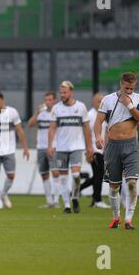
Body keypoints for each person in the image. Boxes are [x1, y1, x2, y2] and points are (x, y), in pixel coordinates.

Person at [95, 72, 139, 230]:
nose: (130, 90)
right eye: (127, 88)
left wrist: (129, 105)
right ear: (121, 84)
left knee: (131, 183)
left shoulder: (138, 99)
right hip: (113, 147)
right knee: (114, 186)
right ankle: (116, 217)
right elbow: (98, 121)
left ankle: (128, 220)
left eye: (132, 88)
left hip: (131, 146)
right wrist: (98, 136)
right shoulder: (108, 100)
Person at [48, 81, 93, 214]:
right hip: (61, 148)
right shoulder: (56, 108)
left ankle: (74, 196)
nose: (62, 95)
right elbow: (52, 128)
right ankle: (67, 206)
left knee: (76, 175)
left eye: (65, 92)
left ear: (71, 92)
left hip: (76, 147)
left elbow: (86, 128)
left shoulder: (81, 107)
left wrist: (89, 146)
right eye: (61, 92)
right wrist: (50, 145)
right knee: (62, 178)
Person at [27, 91, 60, 208]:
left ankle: (56, 201)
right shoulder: (41, 114)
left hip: (54, 146)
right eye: (46, 100)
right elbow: (30, 124)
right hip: (41, 147)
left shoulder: (58, 112)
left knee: (56, 173)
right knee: (44, 174)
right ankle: (49, 201)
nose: (47, 102)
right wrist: (37, 112)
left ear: (54, 101)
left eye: (50, 100)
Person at [80, 93, 110, 208]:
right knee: (99, 176)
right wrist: (88, 151)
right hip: (94, 150)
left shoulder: (103, 115)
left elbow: (105, 133)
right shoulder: (91, 115)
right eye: (98, 101)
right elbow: (86, 134)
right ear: (93, 102)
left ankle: (92, 199)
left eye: (102, 101)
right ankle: (97, 200)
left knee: (98, 176)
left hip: (101, 150)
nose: (101, 103)